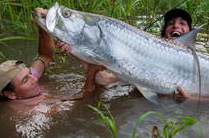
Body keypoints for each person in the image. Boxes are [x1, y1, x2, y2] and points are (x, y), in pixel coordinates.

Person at [58, 8, 192, 100]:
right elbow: (103, 80)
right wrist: (76, 52)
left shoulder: (199, 62)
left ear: (190, 33)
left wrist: (188, 99)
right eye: (171, 23)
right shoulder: (143, 55)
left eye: (182, 23)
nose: (176, 26)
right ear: (163, 33)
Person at [0, 8, 92, 110]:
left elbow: (45, 56)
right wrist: (87, 63)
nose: (34, 79)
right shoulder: (37, 110)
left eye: (29, 74)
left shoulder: (20, 89)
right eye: (25, 80)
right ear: (10, 95)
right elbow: (85, 99)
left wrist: (43, 24)